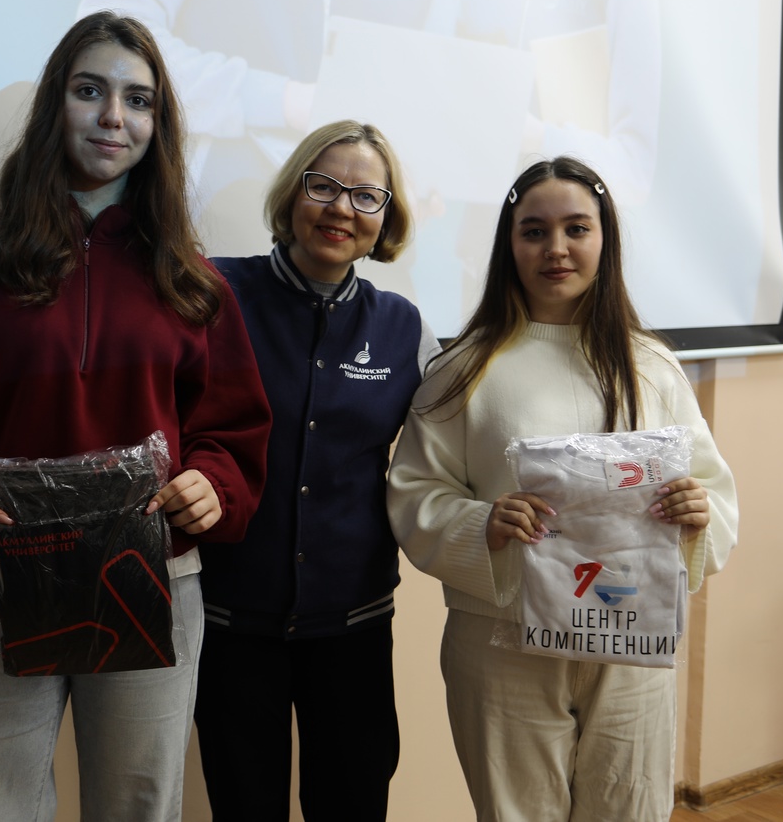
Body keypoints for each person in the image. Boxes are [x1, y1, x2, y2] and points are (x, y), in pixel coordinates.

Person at [0, 11, 272, 821]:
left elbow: (233, 430)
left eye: (138, 99)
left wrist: (213, 484)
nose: (114, 116)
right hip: (2, 574)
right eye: (91, 91)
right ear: (57, 104)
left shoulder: (193, 281)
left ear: (158, 125)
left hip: (153, 577)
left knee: (137, 805)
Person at [385, 156, 737, 821]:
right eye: (534, 231)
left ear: (605, 238)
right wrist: (482, 522)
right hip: (502, 639)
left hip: (630, 640)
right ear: (508, 244)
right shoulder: (463, 369)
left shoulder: (652, 366)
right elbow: (415, 491)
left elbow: (711, 491)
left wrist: (699, 512)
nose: (556, 248)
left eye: (577, 228)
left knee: (629, 806)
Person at [195, 121, 440, 821]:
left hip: (353, 627)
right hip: (231, 623)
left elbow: (453, 452)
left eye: (366, 196)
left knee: (353, 805)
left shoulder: (404, 327)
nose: (341, 208)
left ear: (386, 216)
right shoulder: (212, 293)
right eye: (323, 186)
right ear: (292, 192)